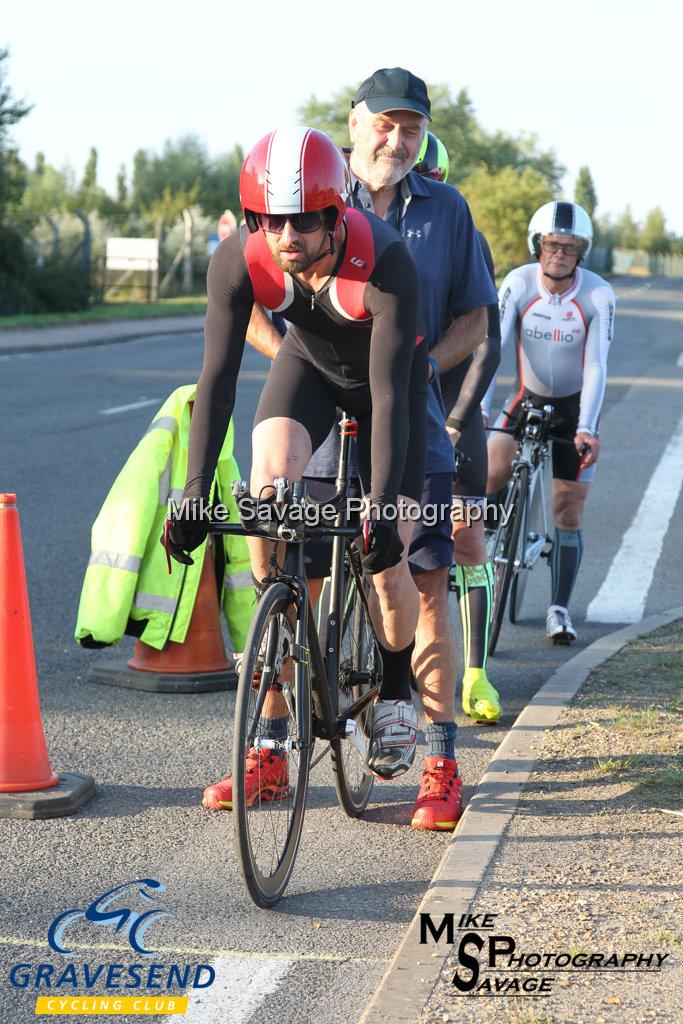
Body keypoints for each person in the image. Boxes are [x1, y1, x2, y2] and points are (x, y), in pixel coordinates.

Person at [166, 125, 430, 807]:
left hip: (387, 392)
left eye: (304, 221)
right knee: (265, 482)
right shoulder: (238, 259)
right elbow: (217, 381)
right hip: (309, 368)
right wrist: (195, 493)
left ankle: (396, 689)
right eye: (270, 220)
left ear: (336, 212)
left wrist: (376, 514)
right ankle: (275, 630)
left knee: (388, 554)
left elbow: (389, 397)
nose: (287, 235)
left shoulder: (386, 262)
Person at [298, 70, 498, 831]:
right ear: (353, 124)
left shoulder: (446, 209)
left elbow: (474, 322)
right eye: (384, 124)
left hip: (410, 417)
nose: (397, 139)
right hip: (318, 419)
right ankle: (273, 742)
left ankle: (441, 764)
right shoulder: (310, 196)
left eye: (411, 127)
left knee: (425, 578)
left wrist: (415, 366)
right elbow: (255, 297)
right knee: (292, 570)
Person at [483, 201, 616, 644]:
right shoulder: (519, 282)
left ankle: (558, 609)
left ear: (582, 252)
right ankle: (485, 542)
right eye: (551, 244)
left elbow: (597, 365)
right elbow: (494, 347)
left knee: (567, 511)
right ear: (537, 246)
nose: (559, 253)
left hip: (574, 411)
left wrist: (588, 427)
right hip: (525, 398)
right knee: (488, 469)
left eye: (569, 246)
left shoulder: (597, 294)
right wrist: (479, 406)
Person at [413, 132, 503, 726]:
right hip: (392, 392)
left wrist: (452, 420)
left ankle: (475, 672)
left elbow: (487, 344)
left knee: (465, 536)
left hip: (450, 397)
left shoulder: (464, 232)